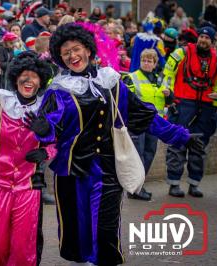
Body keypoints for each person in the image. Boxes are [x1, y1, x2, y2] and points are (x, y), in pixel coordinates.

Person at [26, 23, 202, 265]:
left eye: (76, 49)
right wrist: (42, 134)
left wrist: (179, 136)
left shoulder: (111, 82)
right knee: (79, 225)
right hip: (71, 170)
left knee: (106, 226)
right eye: (66, 53)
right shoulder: (58, 90)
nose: (72, 56)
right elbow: (48, 126)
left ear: (88, 49)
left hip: (108, 167)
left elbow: (143, 114)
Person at [0, 51, 55, 266]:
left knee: (22, 249)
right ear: (16, 77)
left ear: (41, 81)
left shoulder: (46, 110)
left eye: (34, 76)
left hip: (28, 187)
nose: (28, 81)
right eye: (24, 75)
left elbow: (59, 140)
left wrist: (46, 151)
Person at [162, 26, 217, 197]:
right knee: (177, 142)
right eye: (201, 36)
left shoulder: (216, 58)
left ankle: (194, 183)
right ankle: (174, 183)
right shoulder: (182, 53)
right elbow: (168, 73)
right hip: (182, 103)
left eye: (207, 38)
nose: (203, 40)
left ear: (212, 41)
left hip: (207, 106)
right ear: (197, 38)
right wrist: (168, 93)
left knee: (200, 146)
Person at [123, 49, 170, 201]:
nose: (146, 63)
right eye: (144, 60)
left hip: (154, 122)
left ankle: (138, 186)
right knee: (138, 155)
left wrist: (170, 95)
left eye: (150, 61)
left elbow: (166, 102)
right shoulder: (132, 77)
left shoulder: (159, 79)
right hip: (137, 122)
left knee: (149, 153)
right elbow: (126, 100)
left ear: (155, 63)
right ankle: (136, 189)